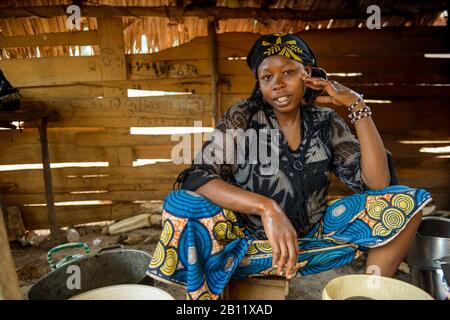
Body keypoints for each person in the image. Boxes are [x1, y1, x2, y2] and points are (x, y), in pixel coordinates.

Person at [146, 33, 432, 300]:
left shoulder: (325, 122)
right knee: (182, 203)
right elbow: (199, 176)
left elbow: (378, 184)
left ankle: (369, 294)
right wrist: (266, 208)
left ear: (307, 74)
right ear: (259, 83)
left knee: (405, 202)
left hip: (313, 243)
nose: (277, 84)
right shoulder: (244, 117)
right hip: (245, 247)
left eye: (288, 72)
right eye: (267, 76)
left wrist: (356, 106)